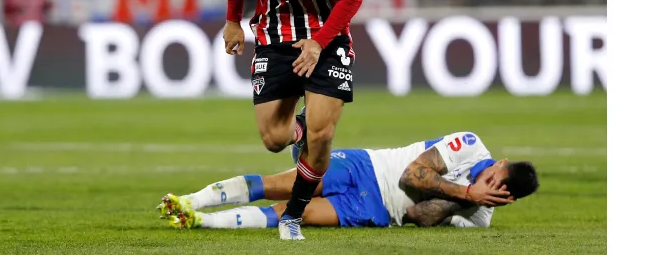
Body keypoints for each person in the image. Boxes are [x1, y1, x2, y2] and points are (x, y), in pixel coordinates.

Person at [222, 0, 364, 240]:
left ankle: (294, 216)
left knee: (322, 135)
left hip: (326, 39)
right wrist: (233, 20)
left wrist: (319, 41)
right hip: (274, 35)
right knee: (272, 138)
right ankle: (298, 127)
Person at [157, 124, 538, 230]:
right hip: (368, 166)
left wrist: (468, 199)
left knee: (299, 213)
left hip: (377, 210)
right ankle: (192, 198)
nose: (487, 181)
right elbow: (412, 175)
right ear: (499, 163)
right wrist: (468, 188)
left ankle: (198, 220)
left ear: (507, 198)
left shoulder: (480, 216)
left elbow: (416, 217)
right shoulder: (470, 144)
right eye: (493, 175)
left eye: (493, 189)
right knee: (288, 183)